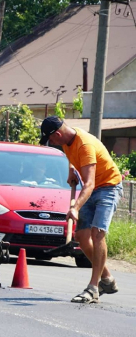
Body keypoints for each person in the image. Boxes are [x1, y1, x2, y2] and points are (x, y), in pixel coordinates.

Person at [39, 116, 123, 303]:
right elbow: (73, 158)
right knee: (82, 238)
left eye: (51, 140)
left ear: (58, 134)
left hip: (108, 187)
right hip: (91, 188)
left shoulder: (85, 145)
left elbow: (90, 183)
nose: (52, 144)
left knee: (97, 233)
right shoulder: (68, 141)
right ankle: (107, 279)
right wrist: (71, 169)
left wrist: (75, 207)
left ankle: (93, 288)